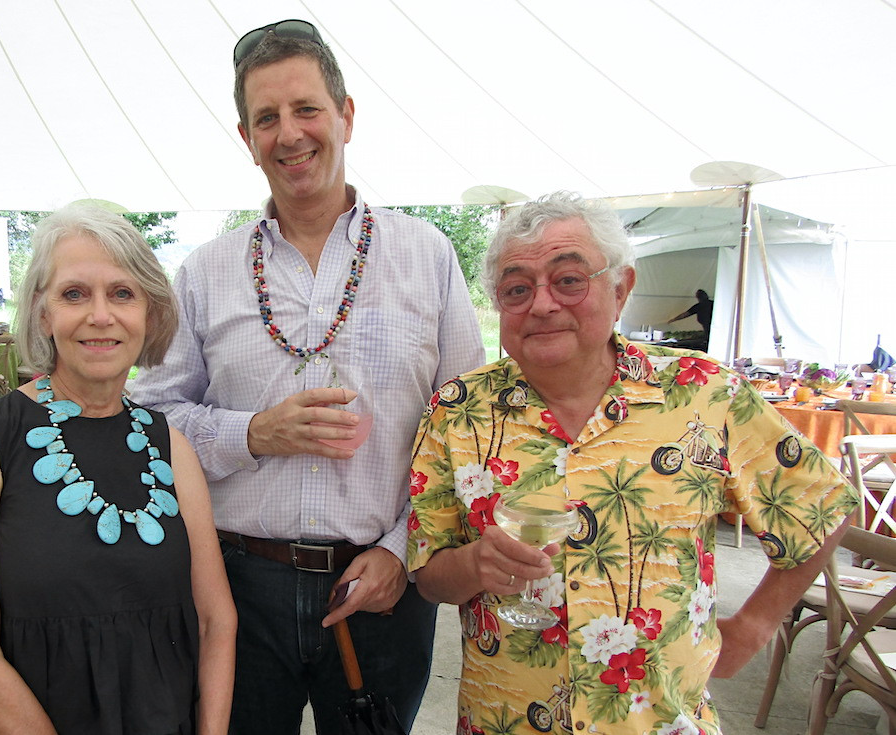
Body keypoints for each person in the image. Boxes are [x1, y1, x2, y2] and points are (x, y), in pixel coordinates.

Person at [132, 19, 484, 735]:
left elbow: (468, 431)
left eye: (305, 109)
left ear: (346, 115)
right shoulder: (204, 272)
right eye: (267, 118)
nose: (289, 134)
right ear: (246, 137)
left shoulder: (425, 254)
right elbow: (150, 420)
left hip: (383, 590)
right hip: (236, 587)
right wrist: (253, 432)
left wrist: (402, 550)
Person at [407, 191, 858, 735]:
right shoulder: (456, 411)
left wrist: (755, 625)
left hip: (663, 720)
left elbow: (823, 507)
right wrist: (475, 564)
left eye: (569, 279)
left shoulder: (705, 394)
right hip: (505, 721)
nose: (543, 304)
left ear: (621, 289)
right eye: (517, 289)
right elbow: (430, 576)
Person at [0, 202, 236, 734]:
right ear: (43, 314)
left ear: (150, 314)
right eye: (74, 294)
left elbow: (215, 622)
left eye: (122, 293)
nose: (100, 315)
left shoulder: (171, 445)